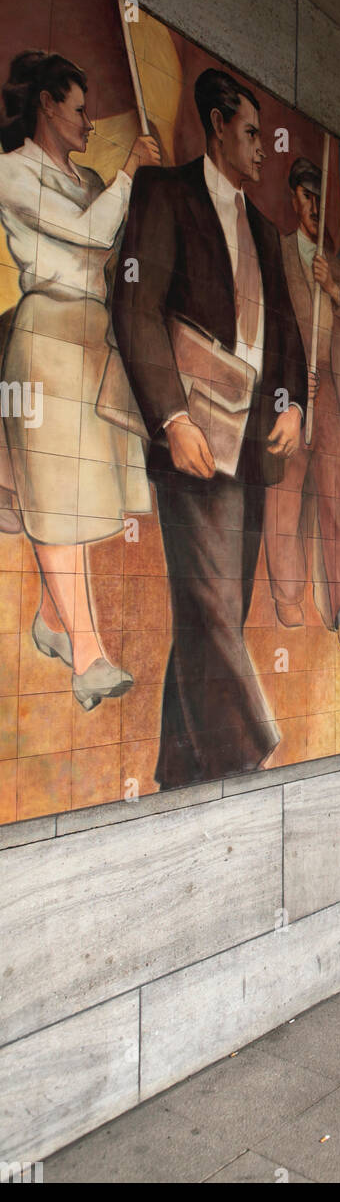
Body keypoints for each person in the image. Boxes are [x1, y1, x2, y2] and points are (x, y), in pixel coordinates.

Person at [112, 67, 307, 788]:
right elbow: (134, 307)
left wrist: (294, 406)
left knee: (217, 612)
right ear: (219, 125)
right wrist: (169, 417)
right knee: (210, 605)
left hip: (253, 444)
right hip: (191, 434)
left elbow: (286, 336)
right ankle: (250, 752)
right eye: (253, 134)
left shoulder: (263, 226)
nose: (263, 150)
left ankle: (181, 768)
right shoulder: (163, 193)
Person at [0, 50, 158, 709]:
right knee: (57, 497)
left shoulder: (92, 178)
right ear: (46, 105)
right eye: (79, 108)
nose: (89, 122)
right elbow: (85, 238)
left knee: (73, 498)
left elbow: (117, 255)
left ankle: (52, 622)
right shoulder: (10, 172)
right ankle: (89, 660)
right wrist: (128, 177)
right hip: (46, 343)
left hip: (94, 341)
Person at [263, 155, 340, 651]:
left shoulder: (334, 265)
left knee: (336, 505)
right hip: (291, 392)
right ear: (294, 200)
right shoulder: (281, 250)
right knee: (285, 497)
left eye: (319, 197)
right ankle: (287, 596)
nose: (313, 205)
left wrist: (332, 285)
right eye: (306, 196)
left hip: (332, 397)